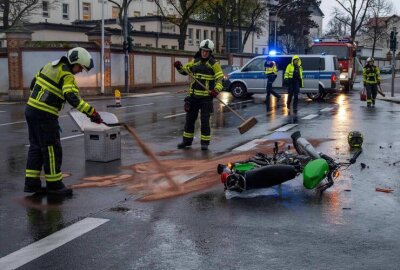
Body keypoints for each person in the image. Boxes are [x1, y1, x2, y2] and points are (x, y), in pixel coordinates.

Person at [24, 47, 103, 195]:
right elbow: (72, 97)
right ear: (73, 61)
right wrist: (92, 113)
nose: (80, 71)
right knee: (52, 149)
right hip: (45, 115)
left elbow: (33, 83)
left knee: (36, 147)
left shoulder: (49, 66)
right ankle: (55, 186)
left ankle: (32, 184)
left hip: (31, 111)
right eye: (80, 67)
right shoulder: (67, 75)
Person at [174, 39, 224, 151]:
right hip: (193, 97)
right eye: (203, 50)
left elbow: (220, 80)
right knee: (189, 120)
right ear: (200, 50)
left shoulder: (214, 65)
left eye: (207, 51)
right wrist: (179, 67)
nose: (204, 53)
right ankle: (186, 142)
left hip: (206, 98)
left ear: (210, 52)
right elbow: (184, 71)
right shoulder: (195, 61)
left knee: (205, 121)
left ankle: (205, 143)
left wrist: (216, 90)